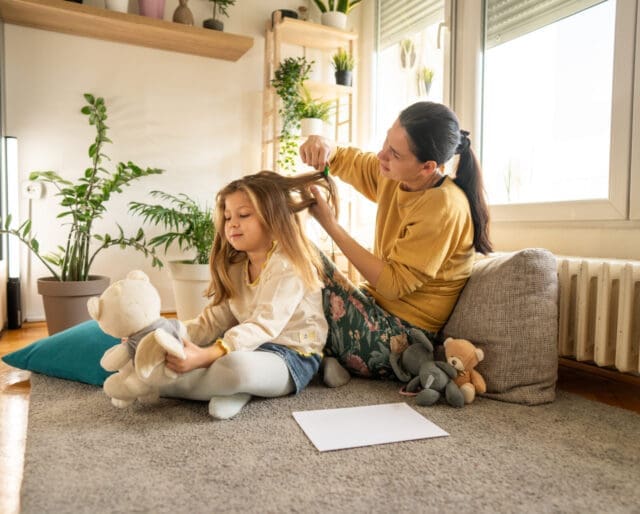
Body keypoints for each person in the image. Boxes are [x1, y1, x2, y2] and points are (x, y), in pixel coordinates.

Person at [299, 101, 492, 382]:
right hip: (373, 312)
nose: (381, 155)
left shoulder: (443, 206)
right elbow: (346, 159)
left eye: (395, 153)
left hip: (398, 342)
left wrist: (330, 225)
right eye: (386, 141)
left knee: (299, 251)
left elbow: (391, 284)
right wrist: (323, 144)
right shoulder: (394, 174)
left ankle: (295, 363)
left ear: (427, 167)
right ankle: (307, 360)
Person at [159, 170, 339, 419]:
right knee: (222, 359)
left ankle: (155, 386)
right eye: (228, 216)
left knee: (234, 367)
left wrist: (205, 356)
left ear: (273, 217)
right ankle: (236, 390)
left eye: (243, 215)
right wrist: (164, 336)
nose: (232, 223)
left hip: (293, 354)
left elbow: (263, 324)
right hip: (252, 348)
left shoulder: (289, 265)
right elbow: (212, 322)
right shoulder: (235, 267)